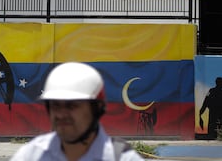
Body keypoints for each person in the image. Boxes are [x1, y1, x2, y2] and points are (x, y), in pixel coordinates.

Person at [10, 62, 144, 161]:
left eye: (72, 106)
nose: (61, 114)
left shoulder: (123, 158)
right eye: (55, 105)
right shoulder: (31, 155)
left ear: (96, 108)